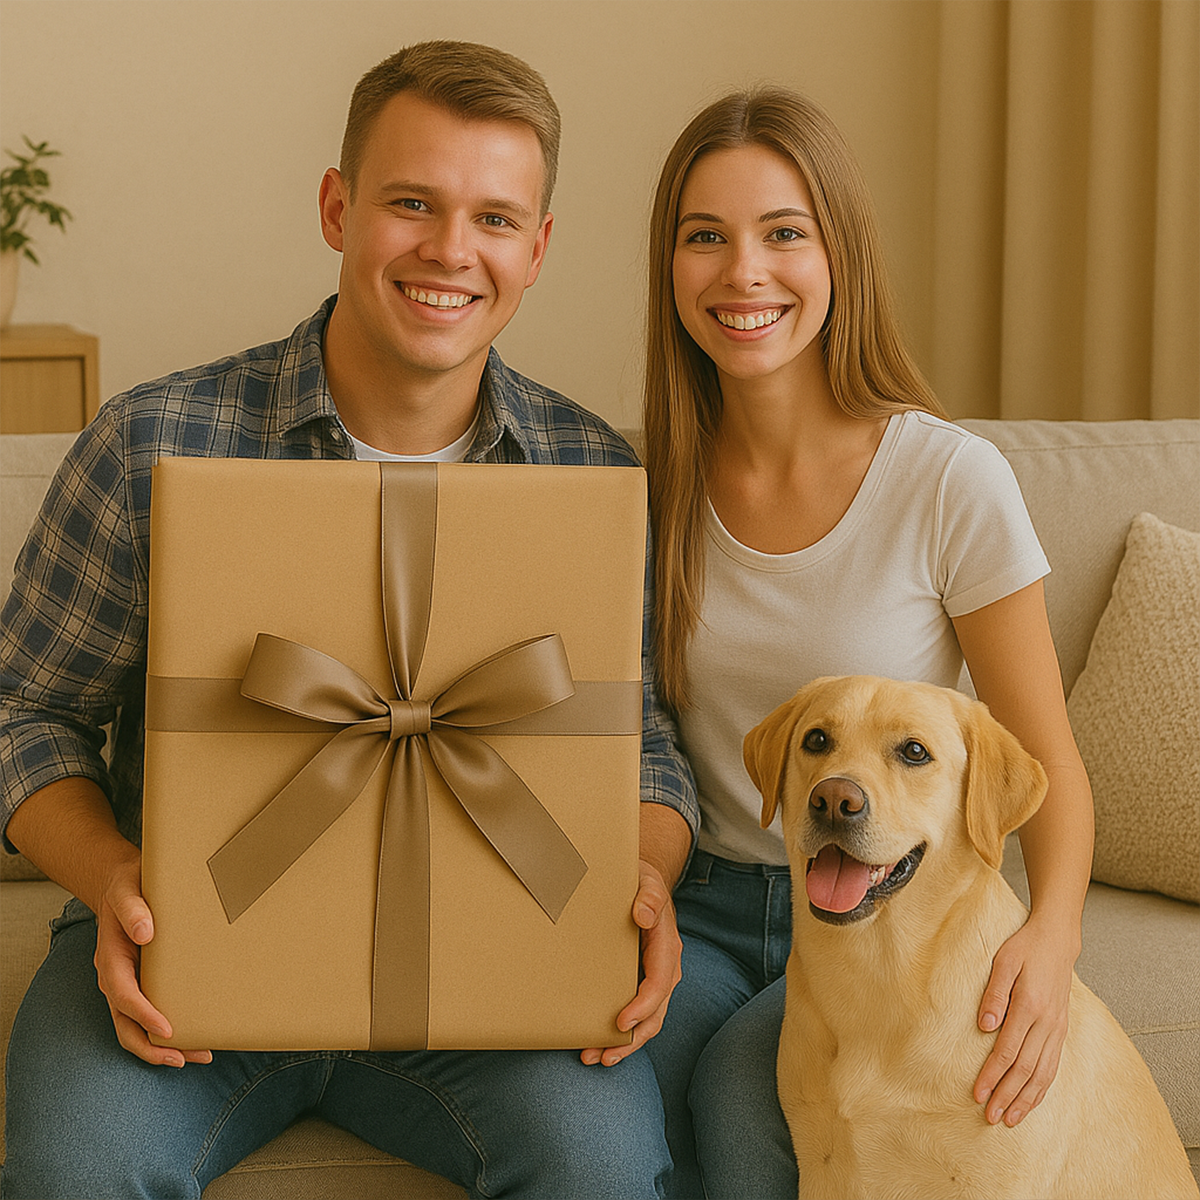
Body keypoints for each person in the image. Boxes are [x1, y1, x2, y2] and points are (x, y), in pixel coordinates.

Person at [0, 41, 697, 1200]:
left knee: (604, 1166)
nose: (449, 251)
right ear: (337, 208)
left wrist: (646, 882)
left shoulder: (590, 471)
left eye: (493, 217)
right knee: (77, 1165)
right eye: (411, 203)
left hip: (493, 986)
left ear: (538, 247)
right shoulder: (150, 442)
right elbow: (23, 709)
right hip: (181, 953)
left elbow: (644, 744)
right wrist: (112, 876)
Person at [637, 87, 1095, 1199]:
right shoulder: (643, 484)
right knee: (586, 1087)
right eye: (707, 237)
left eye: (784, 233)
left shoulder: (948, 482)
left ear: (840, 254)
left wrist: (1052, 938)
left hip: (894, 910)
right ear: (672, 268)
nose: (744, 271)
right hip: (700, 898)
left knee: (745, 1112)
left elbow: (1050, 760)